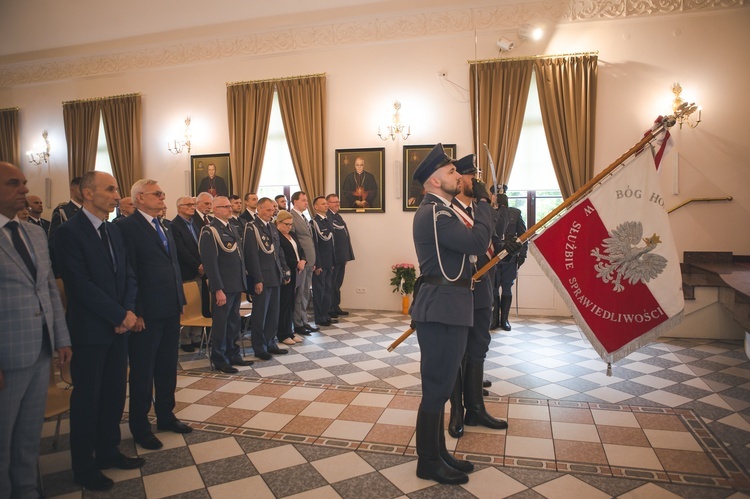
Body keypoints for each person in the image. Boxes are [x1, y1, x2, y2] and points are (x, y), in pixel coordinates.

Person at [410, 144, 497, 485]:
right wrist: (487, 204)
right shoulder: (435, 213)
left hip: (452, 305)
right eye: (450, 172)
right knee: (436, 388)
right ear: (433, 180)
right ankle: (427, 461)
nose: (458, 177)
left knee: (443, 386)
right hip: (441, 307)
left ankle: (439, 452)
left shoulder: (443, 210)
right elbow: (476, 243)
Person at [54, 171, 143, 491]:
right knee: (87, 399)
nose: (116, 194)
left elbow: (128, 274)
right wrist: (119, 314)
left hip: (120, 328)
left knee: (114, 393)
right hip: (90, 330)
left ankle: (108, 450)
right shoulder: (69, 232)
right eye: (110, 189)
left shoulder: (113, 230)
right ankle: (84, 465)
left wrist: (128, 313)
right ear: (88, 194)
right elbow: (79, 285)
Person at [0, 162, 72, 499]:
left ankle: (27, 491)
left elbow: (48, 291)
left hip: (41, 350)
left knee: (29, 437)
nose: (24, 191)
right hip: (7, 356)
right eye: (13, 184)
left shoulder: (33, 233)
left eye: (25, 183)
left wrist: (61, 338)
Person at [447, 156, 521, 441]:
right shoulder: (449, 210)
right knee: (455, 351)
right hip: (458, 288)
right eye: (470, 176)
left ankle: (475, 407)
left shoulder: (480, 209)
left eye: (475, 176)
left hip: (482, 288)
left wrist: (506, 249)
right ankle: (456, 410)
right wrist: (486, 207)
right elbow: (471, 243)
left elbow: (489, 243)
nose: (475, 181)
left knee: (478, 346)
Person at [118, 180, 190, 452]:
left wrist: (180, 298)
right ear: (139, 198)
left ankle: (166, 415)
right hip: (146, 313)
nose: (163, 197)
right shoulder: (126, 228)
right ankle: (140, 426)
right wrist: (135, 311)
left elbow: (173, 266)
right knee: (143, 371)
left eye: (162, 192)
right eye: (157, 194)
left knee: (167, 367)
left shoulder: (165, 225)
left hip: (170, 308)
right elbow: (129, 271)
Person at [199, 196, 253, 373]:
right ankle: (220, 359)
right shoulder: (210, 231)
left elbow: (239, 256)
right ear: (215, 209)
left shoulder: (231, 227)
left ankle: (233, 353)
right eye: (225, 207)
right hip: (223, 287)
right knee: (221, 324)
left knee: (233, 323)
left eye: (230, 206)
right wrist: (218, 289)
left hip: (235, 283)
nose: (230, 209)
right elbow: (211, 264)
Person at [244, 198, 290, 360]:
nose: (272, 213)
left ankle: (271, 342)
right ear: (259, 209)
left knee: (273, 313)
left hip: (275, 275)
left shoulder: (271, 226)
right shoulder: (251, 227)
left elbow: (279, 251)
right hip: (262, 277)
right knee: (260, 315)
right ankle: (259, 346)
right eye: (268, 210)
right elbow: (251, 256)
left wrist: (285, 270)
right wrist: (257, 279)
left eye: (273, 210)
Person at [172, 196, 206, 352]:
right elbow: (181, 250)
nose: (192, 207)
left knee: (198, 304)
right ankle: (186, 339)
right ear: (179, 207)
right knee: (189, 306)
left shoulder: (194, 223)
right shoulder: (175, 225)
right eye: (189, 205)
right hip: (187, 271)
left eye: (193, 204)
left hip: (199, 270)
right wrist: (197, 265)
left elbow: (200, 245)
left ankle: (197, 337)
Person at [495, 186, 528, 331]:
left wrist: (522, 254)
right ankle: (494, 319)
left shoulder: (515, 213)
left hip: (510, 257)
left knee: (507, 288)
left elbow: (523, 236)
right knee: (494, 288)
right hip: (494, 257)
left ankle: (505, 320)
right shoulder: (488, 212)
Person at [290, 191, 318, 336]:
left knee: (306, 292)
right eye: (303, 200)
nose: (306, 203)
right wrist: (301, 259)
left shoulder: (303, 217)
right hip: (301, 262)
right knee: (300, 294)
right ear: (295, 202)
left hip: (309, 261)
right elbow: (294, 240)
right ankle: (298, 323)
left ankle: (304, 320)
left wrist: (313, 261)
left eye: (306, 200)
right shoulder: (291, 217)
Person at [275, 210, 306, 345]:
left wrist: (303, 260)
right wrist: (296, 263)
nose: (289, 227)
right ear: (278, 223)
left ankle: (290, 331)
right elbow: (282, 256)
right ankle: (283, 334)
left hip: (297, 271)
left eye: (291, 225)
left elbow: (300, 250)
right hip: (287, 273)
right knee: (285, 304)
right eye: (286, 224)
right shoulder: (277, 236)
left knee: (292, 303)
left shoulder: (292, 235)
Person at [325, 193, 353, 317]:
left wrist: (346, 255)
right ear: (328, 204)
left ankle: (336, 305)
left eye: (338, 202)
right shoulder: (328, 217)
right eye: (334, 202)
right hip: (334, 257)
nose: (337, 204)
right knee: (331, 283)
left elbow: (344, 237)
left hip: (341, 256)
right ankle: (330, 308)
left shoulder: (337, 216)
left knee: (337, 283)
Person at [311, 196, 336, 327]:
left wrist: (332, 261)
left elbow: (331, 243)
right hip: (320, 263)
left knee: (328, 289)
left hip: (329, 261)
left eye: (327, 203)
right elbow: (315, 244)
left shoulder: (328, 221)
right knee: (319, 290)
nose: (326, 205)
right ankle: (319, 317)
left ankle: (326, 314)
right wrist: (318, 264)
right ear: (316, 207)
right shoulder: (314, 222)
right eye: (323, 204)